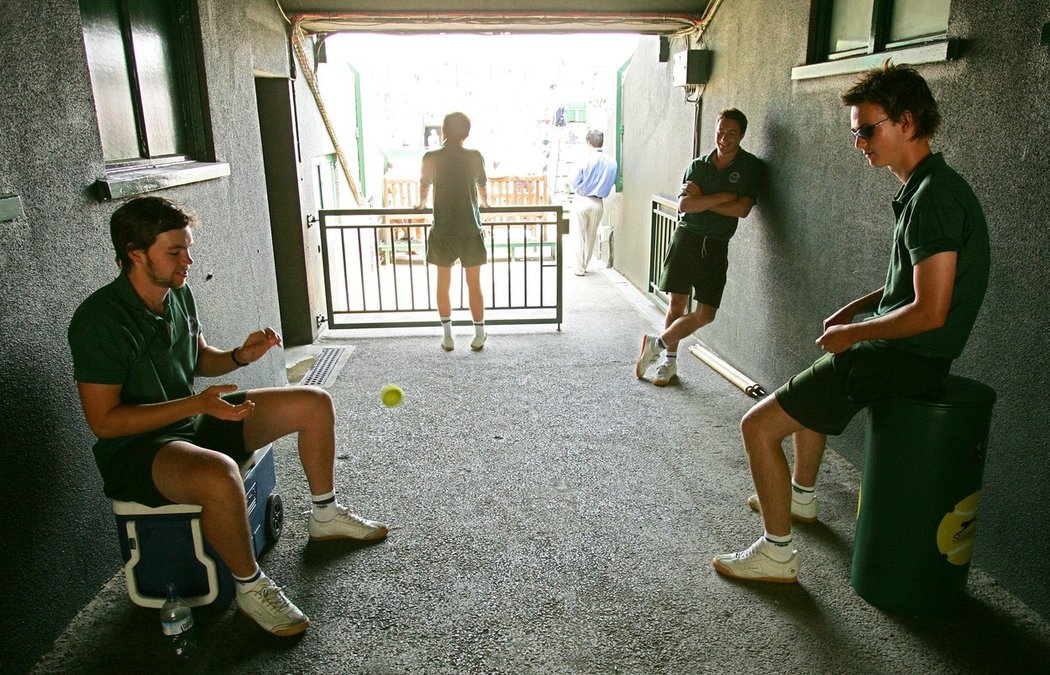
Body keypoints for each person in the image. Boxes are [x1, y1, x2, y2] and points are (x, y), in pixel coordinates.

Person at [712, 64, 990, 583]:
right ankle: (801, 496)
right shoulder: (928, 187)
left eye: (867, 129)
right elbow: (914, 283)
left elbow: (931, 311)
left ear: (906, 122)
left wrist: (857, 332)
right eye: (855, 131)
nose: (859, 142)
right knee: (822, 377)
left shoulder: (935, 199)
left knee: (758, 426)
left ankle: (776, 553)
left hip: (909, 357)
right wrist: (857, 310)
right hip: (906, 350)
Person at [68, 197, 390, 636]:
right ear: (135, 254)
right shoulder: (98, 319)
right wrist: (196, 405)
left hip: (192, 421)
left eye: (188, 248)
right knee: (220, 473)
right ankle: (249, 587)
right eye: (175, 252)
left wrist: (240, 355)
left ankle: (325, 515)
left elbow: (200, 358)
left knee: (313, 402)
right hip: (139, 450)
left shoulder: (177, 293)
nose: (188, 260)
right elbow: (104, 422)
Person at [634, 108, 761, 386]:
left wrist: (705, 198)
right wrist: (722, 197)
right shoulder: (698, 165)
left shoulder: (750, 167)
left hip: (716, 244)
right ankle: (668, 363)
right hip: (687, 237)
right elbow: (685, 206)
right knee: (677, 303)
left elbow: (742, 210)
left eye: (731, 133)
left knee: (706, 313)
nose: (724, 139)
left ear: (741, 135)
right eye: (720, 131)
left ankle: (656, 344)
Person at [418, 111, 490, 352]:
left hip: (443, 229)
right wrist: (486, 204)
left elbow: (424, 187)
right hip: (470, 228)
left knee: (443, 284)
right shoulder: (475, 156)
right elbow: (482, 185)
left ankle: (448, 336)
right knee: (474, 284)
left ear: (444, 132)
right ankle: (479, 333)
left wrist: (420, 205)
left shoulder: (431, 157)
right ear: (466, 133)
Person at [571, 129, 619, 276]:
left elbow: (574, 182)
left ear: (588, 143)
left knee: (578, 235)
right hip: (598, 202)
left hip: (582, 199)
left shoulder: (584, 159)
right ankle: (584, 265)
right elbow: (612, 182)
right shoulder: (612, 162)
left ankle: (579, 268)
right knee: (591, 236)